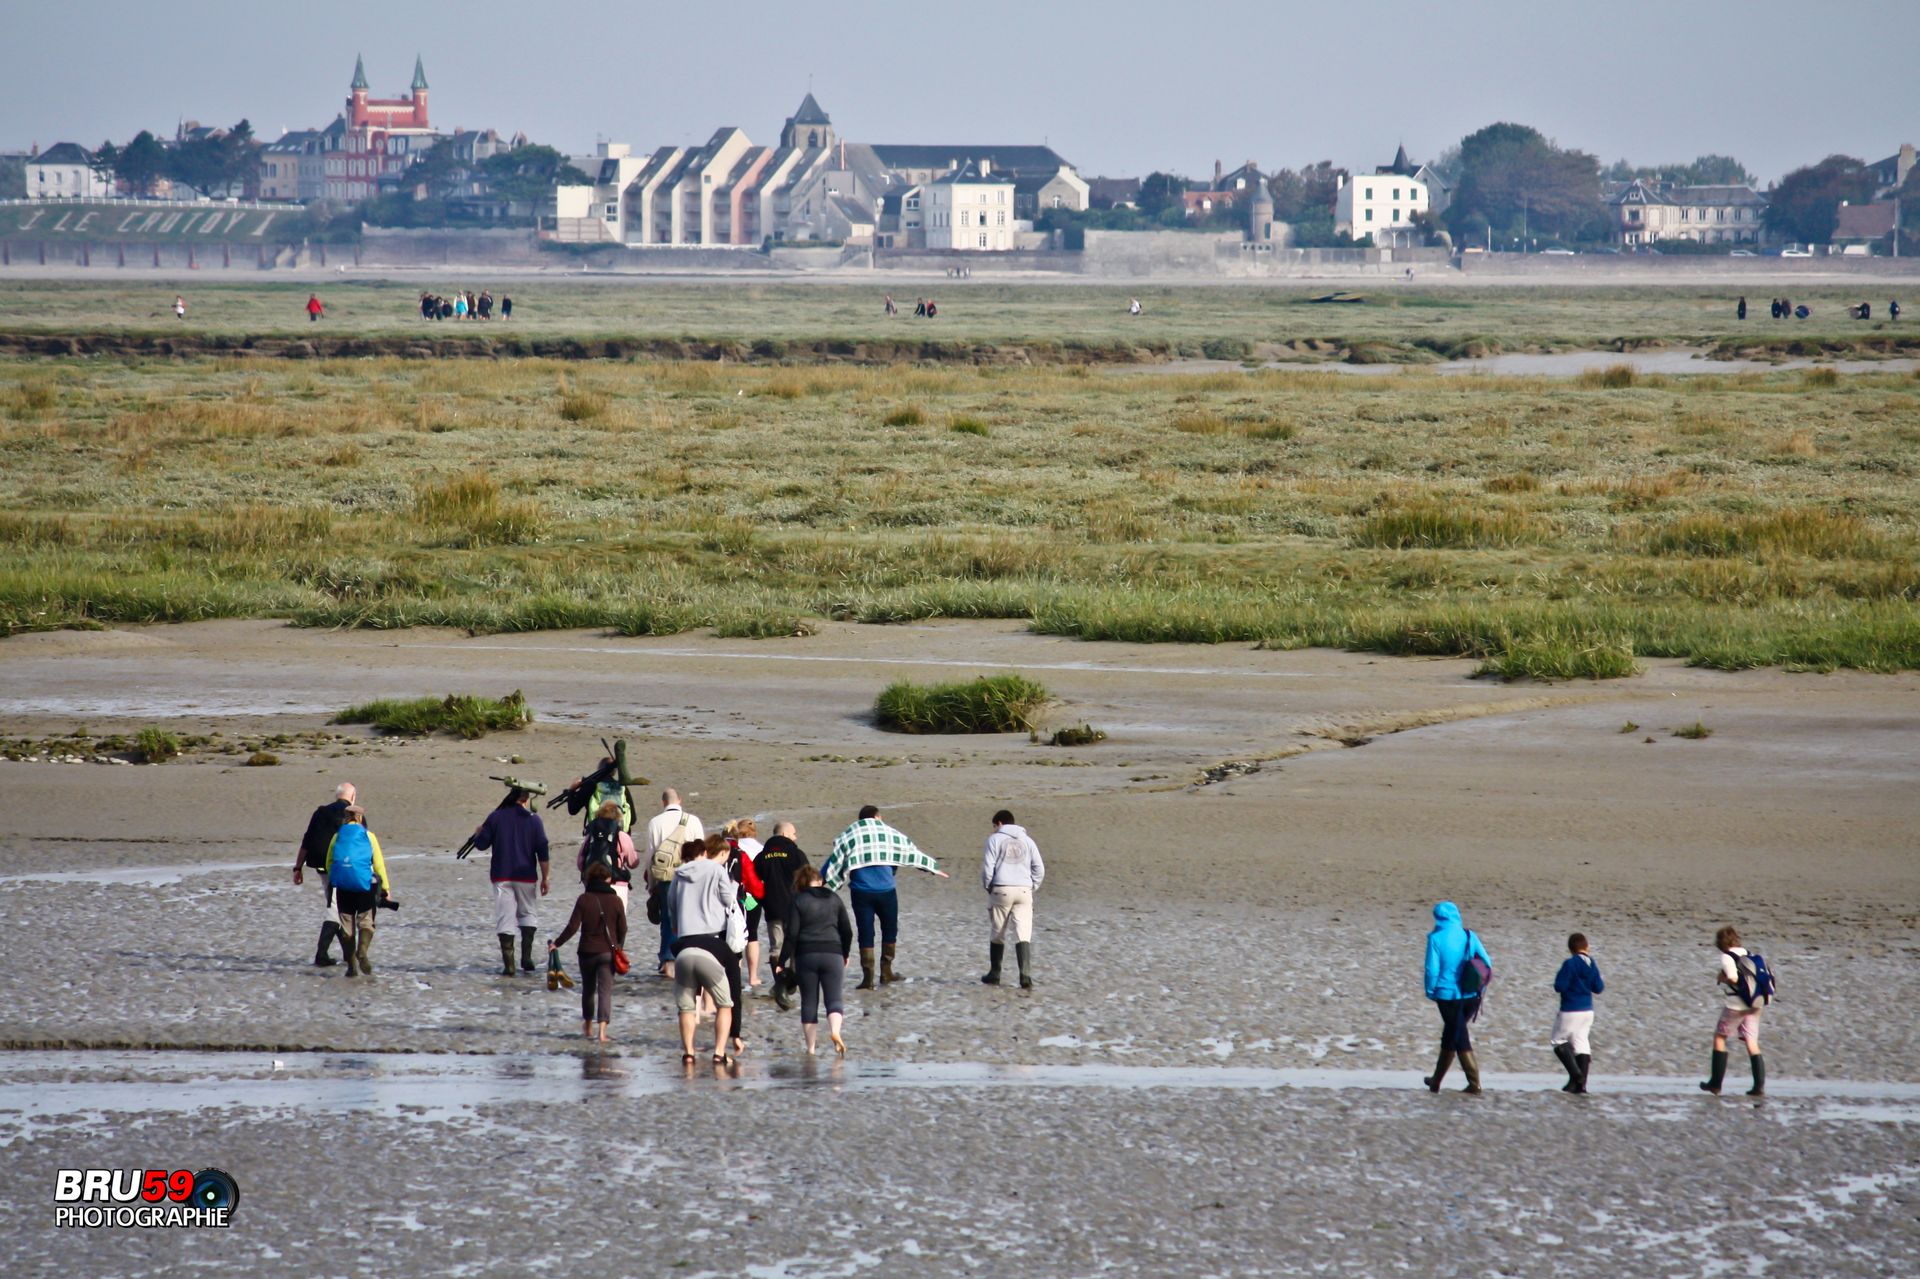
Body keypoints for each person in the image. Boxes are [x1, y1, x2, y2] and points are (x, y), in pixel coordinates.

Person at [821, 805, 950, 990]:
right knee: (890, 930)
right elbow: (909, 852)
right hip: (886, 891)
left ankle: (868, 978)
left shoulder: (851, 834)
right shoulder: (888, 832)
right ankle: (886, 971)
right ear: (877, 816)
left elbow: (835, 860)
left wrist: (819, 880)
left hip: (861, 892)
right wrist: (932, 868)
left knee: (865, 932)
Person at [667, 834, 738, 1061]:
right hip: (711, 940)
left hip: (685, 943)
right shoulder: (717, 870)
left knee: (686, 1007)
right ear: (706, 853)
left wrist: (678, 926)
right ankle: (719, 1052)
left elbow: (671, 906)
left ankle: (688, 1052)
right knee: (725, 1004)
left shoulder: (679, 874)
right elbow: (729, 900)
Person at [470, 785, 551, 976]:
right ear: (526, 799)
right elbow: (543, 851)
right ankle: (526, 958)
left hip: (502, 875)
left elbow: (481, 845)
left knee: (505, 918)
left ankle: (509, 965)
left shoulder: (496, 817)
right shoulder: (534, 820)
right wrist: (546, 877)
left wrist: (477, 833)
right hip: (526, 876)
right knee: (528, 913)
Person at [550, 862, 627, 1042]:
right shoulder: (616, 901)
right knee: (605, 991)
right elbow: (623, 928)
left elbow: (572, 927)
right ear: (608, 879)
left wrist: (557, 943)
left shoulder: (584, 899)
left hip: (586, 952)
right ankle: (602, 1033)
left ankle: (588, 1027)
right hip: (608, 952)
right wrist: (619, 946)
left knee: (588, 990)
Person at [780, 864, 853, 1054]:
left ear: (801, 883)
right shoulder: (834, 898)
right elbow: (847, 930)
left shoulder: (798, 899)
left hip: (807, 955)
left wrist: (781, 961)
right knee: (834, 999)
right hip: (833, 953)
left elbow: (792, 934)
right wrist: (845, 953)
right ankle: (835, 1031)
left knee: (809, 1002)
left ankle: (811, 1048)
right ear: (820, 881)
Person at [1421, 901, 1491, 1094]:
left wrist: (1430, 991)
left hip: (1447, 996)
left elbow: (1431, 969)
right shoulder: (1469, 935)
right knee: (1452, 1033)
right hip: (1471, 995)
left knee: (1458, 1035)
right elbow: (1487, 961)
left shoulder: (1435, 938)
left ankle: (1474, 1083)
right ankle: (1435, 1081)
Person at [294, 782, 357, 966]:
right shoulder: (353, 814)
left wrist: (297, 868)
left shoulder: (320, 813)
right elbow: (362, 843)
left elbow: (307, 841)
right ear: (352, 797)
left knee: (337, 905)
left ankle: (347, 953)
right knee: (337, 908)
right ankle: (321, 955)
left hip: (321, 866)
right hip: (343, 867)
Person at [980, 809, 1044, 989]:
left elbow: (988, 868)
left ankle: (995, 973)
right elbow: (1039, 868)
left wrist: (988, 886)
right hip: (1024, 890)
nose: (993, 830)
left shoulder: (994, 840)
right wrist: (1032, 887)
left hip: (1001, 888)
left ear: (999, 823)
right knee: (1023, 933)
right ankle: (1025, 976)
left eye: (994, 826)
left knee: (998, 932)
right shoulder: (1028, 841)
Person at [324, 806, 390, 978]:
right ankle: (362, 952)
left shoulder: (337, 837)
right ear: (360, 818)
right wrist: (386, 889)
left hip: (343, 888)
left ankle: (351, 965)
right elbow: (378, 864)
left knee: (347, 926)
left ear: (345, 817)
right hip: (365, 886)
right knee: (366, 922)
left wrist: (336, 880)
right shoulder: (369, 836)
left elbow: (329, 862)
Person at [1701, 924, 1767, 1096]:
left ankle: (1715, 1084)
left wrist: (1723, 978)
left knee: (1719, 1038)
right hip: (1756, 1003)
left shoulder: (1727, 956)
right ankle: (1758, 1087)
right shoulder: (1749, 954)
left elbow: (1733, 977)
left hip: (1737, 1005)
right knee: (1752, 1042)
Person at [646, 790, 705, 976]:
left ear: (663, 801)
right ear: (680, 800)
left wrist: (651, 882)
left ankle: (668, 960)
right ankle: (688, 957)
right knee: (690, 918)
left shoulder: (655, 822)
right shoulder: (693, 820)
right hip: (691, 876)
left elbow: (650, 856)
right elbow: (702, 851)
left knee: (667, 918)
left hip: (666, 877)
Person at [755, 822, 811, 1008]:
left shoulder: (762, 856)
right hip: (795, 907)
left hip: (772, 907)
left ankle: (780, 984)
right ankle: (790, 983)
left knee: (776, 948)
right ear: (785, 834)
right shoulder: (796, 854)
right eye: (794, 833)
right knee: (795, 944)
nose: (796, 837)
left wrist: (759, 902)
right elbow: (807, 879)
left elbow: (753, 883)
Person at [1551, 933, 1604, 1094]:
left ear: (1570, 949)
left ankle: (1576, 1075)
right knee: (1581, 1043)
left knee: (1558, 1041)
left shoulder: (1570, 964)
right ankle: (1580, 1086)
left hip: (1570, 1009)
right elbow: (1599, 988)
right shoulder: (1591, 963)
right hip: (1588, 1011)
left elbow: (1559, 986)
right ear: (1586, 947)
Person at [724, 819, 768, 987]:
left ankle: (732, 977)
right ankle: (752, 977)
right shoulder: (759, 848)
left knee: (729, 936)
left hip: (723, 899)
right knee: (751, 934)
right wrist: (761, 895)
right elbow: (753, 880)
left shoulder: (723, 850)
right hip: (747, 898)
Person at [578, 799, 639, 917]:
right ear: (618, 818)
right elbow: (633, 863)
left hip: (593, 886)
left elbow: (580, 864)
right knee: (617, 926)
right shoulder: (622, 836)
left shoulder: (591, 835)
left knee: (595, 926)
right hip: (617, 885)